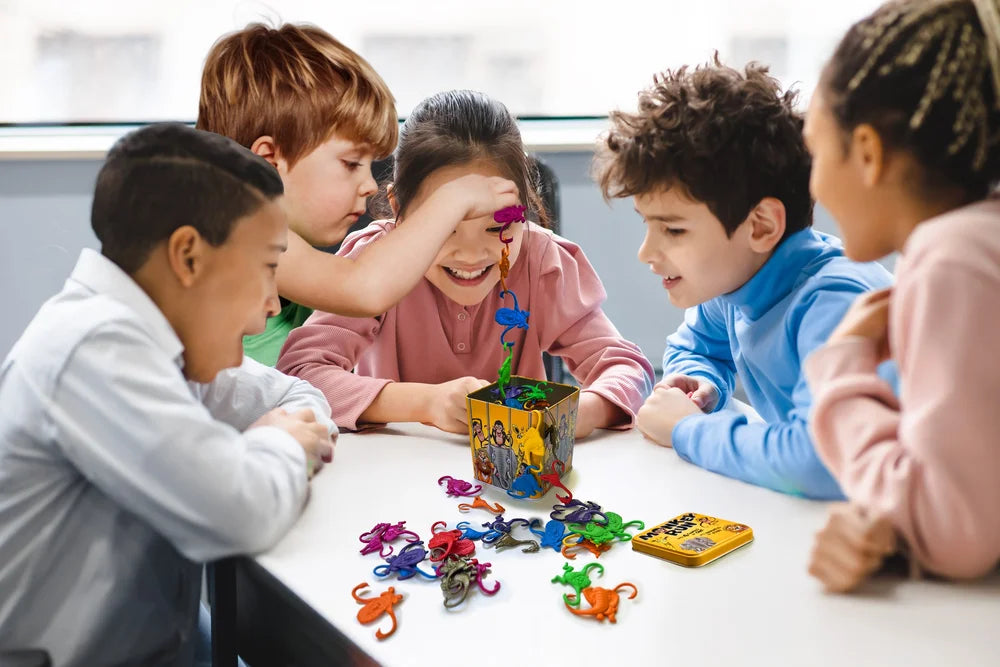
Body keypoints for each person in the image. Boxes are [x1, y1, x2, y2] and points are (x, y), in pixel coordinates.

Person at [0, 123, 336, 665]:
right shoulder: (96, 347)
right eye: (267, 267)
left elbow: (298, 397)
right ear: (189, 257)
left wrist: (269, 440)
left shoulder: (165, 347)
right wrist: (274, 444)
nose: (273, 304)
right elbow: (241, 511)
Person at [593, 56, 894, 499]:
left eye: (673, 229)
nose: (647, 253)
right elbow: (694, 348)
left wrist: (688, 429)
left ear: (760, 227)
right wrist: (702, 385)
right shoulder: (734, 281)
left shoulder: (835, 303)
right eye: (647, 224)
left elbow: (820, 460)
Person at [278, 90, 653, 437]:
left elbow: (627, 368)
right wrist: (427, 403)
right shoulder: (374, 262)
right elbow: (300, 375)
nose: (471, 256)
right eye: (444, 228)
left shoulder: (542, 261)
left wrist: (573, 415)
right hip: (392, 475)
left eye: (497, 227)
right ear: (398, 210)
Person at [802, 0, 1000, 591]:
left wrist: (841, 369)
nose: (813, 183)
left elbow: (955, 534)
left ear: (867, 151)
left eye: (814, 152)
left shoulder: (952, 256)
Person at [198, 23, 519, 365]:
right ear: (267, 162)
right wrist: (452, 199)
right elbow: (363, 287)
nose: (369, 185)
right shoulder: (236, 230)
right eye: (351, 163)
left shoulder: (307, 265)